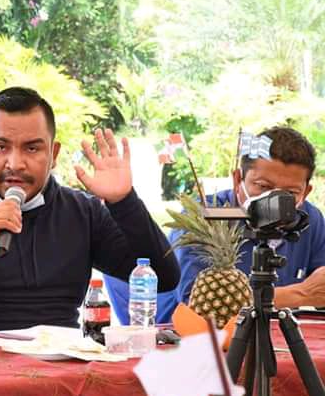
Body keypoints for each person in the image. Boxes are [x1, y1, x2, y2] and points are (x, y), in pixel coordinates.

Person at [0, 87, 180, 337]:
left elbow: (164, 279)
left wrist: (124, 202)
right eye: (1, 147)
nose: (15, 163)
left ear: (53, 154)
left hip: (64, 367)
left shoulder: (82, 213)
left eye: (32, 148)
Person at [105, 126, 325, 324]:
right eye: (263, 186)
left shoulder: (309, 219)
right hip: (185, 337)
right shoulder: (207, 216)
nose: (275, 201)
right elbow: (198, 304)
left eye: (290, 193)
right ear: (238, 179)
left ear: (306, 192)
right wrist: (300, 294)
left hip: (274, 332)